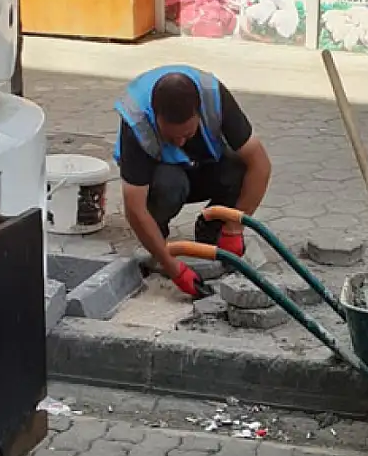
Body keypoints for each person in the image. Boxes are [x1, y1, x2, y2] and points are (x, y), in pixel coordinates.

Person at [114, 65, 271, 299]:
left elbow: (261, 164)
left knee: (239, 166)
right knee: (169, 185)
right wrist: (173, 267)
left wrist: (234, 228)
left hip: (202, 165)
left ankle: (214, 227)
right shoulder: (135, 119)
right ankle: (156, 241)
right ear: (155, 115)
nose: (179, 142)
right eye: (171, 136)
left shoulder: (213, 96)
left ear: (198, 113)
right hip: (163, 180)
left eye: (187, 134)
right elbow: (134, 208)